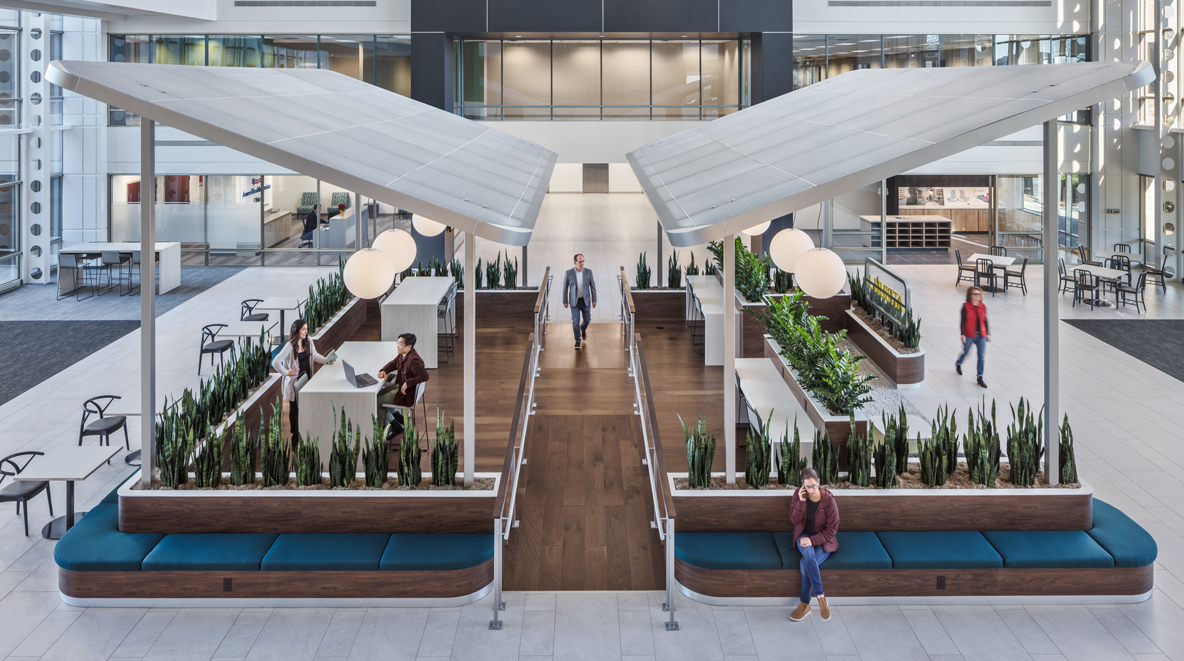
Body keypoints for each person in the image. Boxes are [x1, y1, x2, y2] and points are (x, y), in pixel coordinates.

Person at [789, 467, 839, 622]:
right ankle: (821, 596)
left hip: (824, 540)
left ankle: (805, 603)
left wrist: (813, 540)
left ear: (819, 483)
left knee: (805, 564)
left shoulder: (829, 500)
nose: (811, 490)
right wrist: (801, 502)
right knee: (808, 554)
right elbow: (794, 521)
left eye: (814, 486)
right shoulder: (799, 495)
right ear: (803, 485)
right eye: (808, 486)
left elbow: (832, 531)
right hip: (803, 536)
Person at [272, 318, 332, 441]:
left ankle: (307, 429)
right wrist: (287, 372)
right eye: (303, 329)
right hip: (295, 383)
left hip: (307, 379)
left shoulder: (308, 340)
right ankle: (294, 434)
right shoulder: (290, 346)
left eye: (306, 329)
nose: (306, 331)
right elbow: (275, 362)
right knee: (294, 408)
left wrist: (326, 360)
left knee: (307, 405)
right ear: (297, 330)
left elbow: (314, 356)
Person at [376, 332, 428, 439]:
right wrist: (384, 370)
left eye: (400, 344)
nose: (397, 346)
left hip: (405, 394)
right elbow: (394, 363)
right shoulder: (403, 355)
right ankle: (400, 419)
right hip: (399, 387)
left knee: (375, 402)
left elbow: (425, 376)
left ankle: (395, 426)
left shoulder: (413, 360)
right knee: (376, 396)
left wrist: (408, 383)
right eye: (398, 343)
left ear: (409, 346)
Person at [956, 286, 990, 388]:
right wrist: (962, 334)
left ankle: (980, 377)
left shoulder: (983, 306)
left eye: (978, 294)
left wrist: (987, 334)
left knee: (981, 357)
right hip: (969, 334)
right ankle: (959, 363)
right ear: (970, 296)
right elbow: (962, 321)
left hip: (981, 336)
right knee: (966, 352)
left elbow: (985, 320)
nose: (977, 296)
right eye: (974, 294)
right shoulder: (965, 307)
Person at [562, 253, 597, 350]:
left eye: (583, 261)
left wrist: (594, 300)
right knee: (575, 322)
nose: (582, 263)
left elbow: (593, 287)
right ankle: (577, 340)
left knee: (587, 320)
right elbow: (565, 288)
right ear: (575, 262)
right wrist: (565, 300)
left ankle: (583, 328)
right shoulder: (569, 273)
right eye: (580, 261)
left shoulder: (588, 272)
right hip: (574, 302)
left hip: (585, 301)